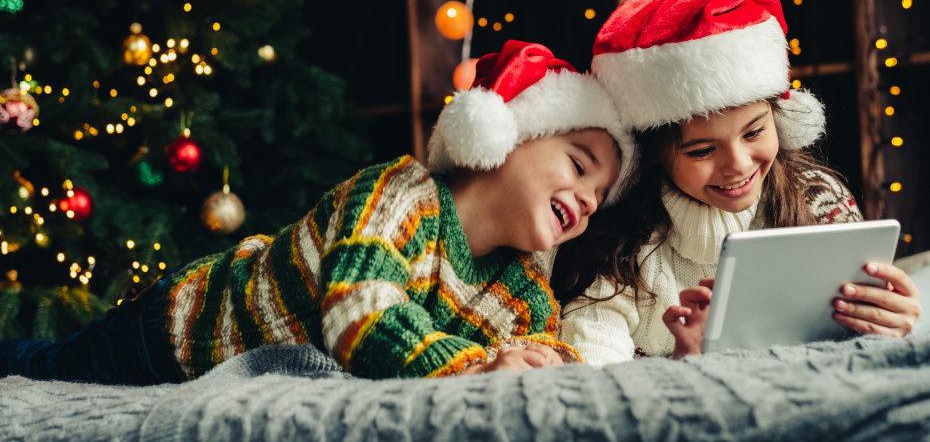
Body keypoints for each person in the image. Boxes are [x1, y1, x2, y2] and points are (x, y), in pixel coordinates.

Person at [1, 40, 635, 384]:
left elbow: (543, 346)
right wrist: (474, 363)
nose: (585, 200)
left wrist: (539, 361)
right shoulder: (402, 194)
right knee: (46, 369)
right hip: (180, 331)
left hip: (260, 371)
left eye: (598, 196)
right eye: (579, 165)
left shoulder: (521, 281)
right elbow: (360, 313)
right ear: (504, 137)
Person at [552, 0, 921, 365]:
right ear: (654, 156)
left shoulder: (818, 198)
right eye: (702, 150)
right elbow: (592, 373)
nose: (739, 165)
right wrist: (685, 363)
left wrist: (890, 326)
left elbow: (853, 348)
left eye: (755, 131)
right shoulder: (618, 243)